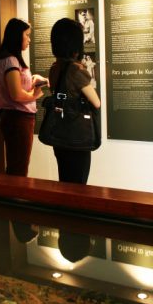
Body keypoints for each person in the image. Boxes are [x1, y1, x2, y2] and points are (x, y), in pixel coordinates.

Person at [47, 17, 102, 184]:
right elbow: (96, 102)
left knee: (65, 181)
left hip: (60, 135)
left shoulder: (54, 68)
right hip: (76, 137)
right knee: (78, 185)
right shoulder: (76, 71)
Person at [0, 19, 46, 176]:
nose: (29, 39)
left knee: (17, 163)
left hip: (15, 118)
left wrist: (33, 80)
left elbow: (16, 86)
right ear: (17, 36)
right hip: (18, 118)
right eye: (27, 35)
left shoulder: (8, 59)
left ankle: (14, 196)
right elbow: (16, 94)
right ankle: (15, 198)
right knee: (18, 167)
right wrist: (34, 94)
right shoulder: (10, 60)